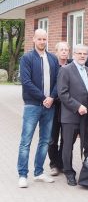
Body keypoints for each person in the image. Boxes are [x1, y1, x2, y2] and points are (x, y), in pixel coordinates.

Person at [17, 29, 59, 188]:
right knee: (26, 141)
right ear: (34, 39)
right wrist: (44, 98)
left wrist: (52, 97)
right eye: (39, 39)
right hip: (32, 105)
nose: (42, 41)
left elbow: (58, 81)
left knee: (45, 141)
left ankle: (39, 172)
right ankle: (22, 174)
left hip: (49, 106)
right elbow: (26, 82)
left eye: (44, 39)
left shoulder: (53, 58)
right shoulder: (27, 58)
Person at [57, 44, 88, 186]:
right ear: (73, 54)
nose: (82, 56)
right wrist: (77, 106)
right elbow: (62, 93)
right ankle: (69, 172)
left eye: (85, 54)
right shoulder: (66, 70)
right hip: (70, 116)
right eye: (79, 53)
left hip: (87, 117)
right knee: (68, 146)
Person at [48, 41, 71, 176]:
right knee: (52, 138)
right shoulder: (51, 66)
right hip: (53, 106)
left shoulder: (73, 65)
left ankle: (62, 163)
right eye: (61, 50)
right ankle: (54, 164)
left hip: (68, 107)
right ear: (56, 52)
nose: (64, 52)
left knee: (66, 138)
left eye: (66, 49)